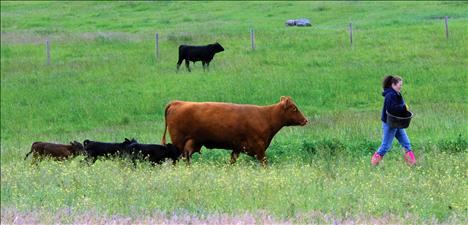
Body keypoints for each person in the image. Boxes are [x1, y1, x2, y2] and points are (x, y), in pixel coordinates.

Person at [371, 75, 416, 166]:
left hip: (398, 123)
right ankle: (373, 164)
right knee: (385, 146)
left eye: (401, 85)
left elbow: (399, 108)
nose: (401, 87)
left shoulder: (397, 94)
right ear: (393, 85)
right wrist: (404, 107)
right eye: (400, 85)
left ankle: (412, 164)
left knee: (406, 144)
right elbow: (391, 109)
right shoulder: (390, 95)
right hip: (390, 124)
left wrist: (404, 109)